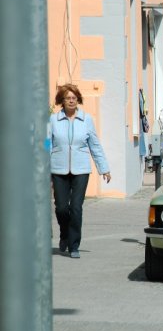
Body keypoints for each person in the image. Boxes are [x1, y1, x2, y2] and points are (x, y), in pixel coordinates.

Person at [50, 84, 111, 258]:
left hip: (81, 170)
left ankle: (74, 245)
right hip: (58, 169)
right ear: (62, 101)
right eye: (68, 98)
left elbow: (95, 145)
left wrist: (104, 168)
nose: (71, 101)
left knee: (76, 208)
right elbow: (47, 143)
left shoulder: (86, 119)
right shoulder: (53, 120)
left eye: (74, 98)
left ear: (78, 100)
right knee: (61, 208)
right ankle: (64, 234)